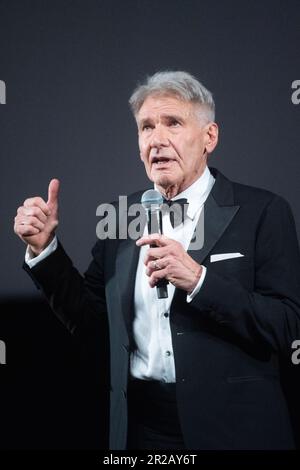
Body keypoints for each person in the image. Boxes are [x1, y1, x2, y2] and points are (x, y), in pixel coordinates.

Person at [14, 71, 300, 450]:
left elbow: (288, 326)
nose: (157, 139)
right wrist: (45, 249)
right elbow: (92, 324)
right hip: (142, 431)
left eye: (173, 123)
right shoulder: (120, 217)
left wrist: (200, 281)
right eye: (146, 127)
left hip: (234, 429)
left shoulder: (263, 211)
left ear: (209, 137)